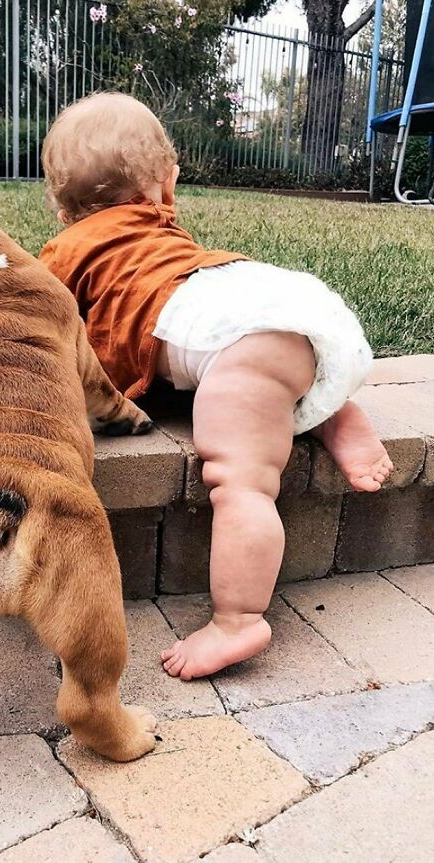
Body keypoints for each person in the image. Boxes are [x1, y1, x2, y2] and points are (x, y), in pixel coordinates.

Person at [38, 92, 393, 681]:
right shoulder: (163, 230)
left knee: (242, 481)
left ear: (61, 207)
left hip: (238, 340)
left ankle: (239, 619)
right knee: (267, 380)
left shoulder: (66, 252)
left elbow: (52, 331)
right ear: (166, 186)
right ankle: (330, 410)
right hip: (269, 298)